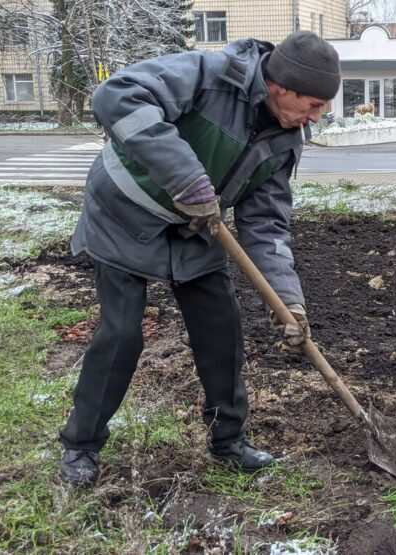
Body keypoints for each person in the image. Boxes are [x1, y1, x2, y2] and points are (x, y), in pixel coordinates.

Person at [58, 31, 341, 486]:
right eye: (312, 106)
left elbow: (266, 224)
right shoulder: (208, 76)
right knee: (122, 333)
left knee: (221, 330)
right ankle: (80, 445)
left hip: (196, 226)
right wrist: (186, 177)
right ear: (281, 87)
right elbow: (115, 95)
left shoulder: (286, 140)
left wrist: (289, 302)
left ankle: (227, 441)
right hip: (124, 213)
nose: (314, 119)